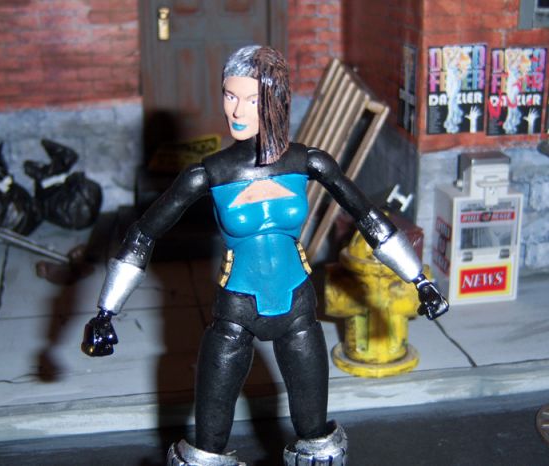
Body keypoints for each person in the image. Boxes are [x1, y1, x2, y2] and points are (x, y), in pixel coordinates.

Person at [81, 45, 448, 465]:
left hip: (297, 308)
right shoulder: (209, 174)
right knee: (207, 447)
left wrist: (419, 279)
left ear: (276, 100)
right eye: (229, 95)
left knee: (317, 442)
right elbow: (143, 234)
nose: (236, 110)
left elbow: (369, 217)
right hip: (236, 312)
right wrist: (106, 311)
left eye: (252, 99)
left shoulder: (309, 162)